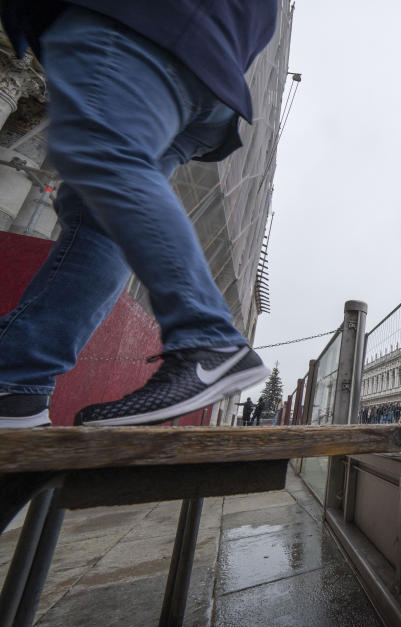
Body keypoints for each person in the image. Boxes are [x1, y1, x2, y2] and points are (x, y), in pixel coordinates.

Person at [0, 2, 277, 428]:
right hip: (207, 67)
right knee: (99, 214)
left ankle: (209, 340)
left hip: (140, 24)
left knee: (102, 152)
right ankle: (17, 385)